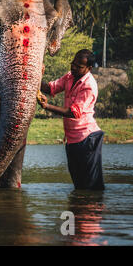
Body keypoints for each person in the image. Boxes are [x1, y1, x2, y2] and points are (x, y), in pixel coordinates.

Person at [38, 49, 105, 190]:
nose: (73, 67)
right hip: (73, 139)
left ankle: (91, 210)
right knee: (79, 184)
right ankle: (81, 209)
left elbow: (74, 113)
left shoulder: (88, 86)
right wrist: (36, 75)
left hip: (87, 138)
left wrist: (47, 106)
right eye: (73, 64)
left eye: (79, 66)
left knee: (92, 185)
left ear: (89, 69)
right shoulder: (70, 77)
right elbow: (51, 88)